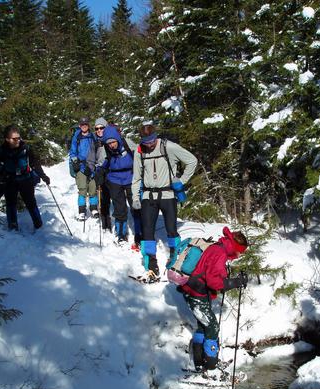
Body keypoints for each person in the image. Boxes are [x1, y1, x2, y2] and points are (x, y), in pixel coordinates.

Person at [131, 123, 198, 282]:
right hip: (148, 195)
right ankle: (151, 266)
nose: (149, 144)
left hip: (168, 194)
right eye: (146, 141)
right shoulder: (139, 152)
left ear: (156, 137)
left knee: (171, 229)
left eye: (152, 140)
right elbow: (136, 177)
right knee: (147, 232)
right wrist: (135, 197)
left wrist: (181, 181)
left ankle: (175, 259)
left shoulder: (169, 147)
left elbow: (192, 161)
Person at [180, 227, 248, 371]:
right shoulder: (219, 253)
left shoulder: (218, 248)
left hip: (196, 291)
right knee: (212, 327)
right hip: (197, 294)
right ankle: (211, 365)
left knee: (203, 325)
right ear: (235, 247)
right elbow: (213, 281)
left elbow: (211, 274)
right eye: (240, 252)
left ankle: (198, 361)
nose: (239, 255)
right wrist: (235, 282)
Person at [95, 125, 141, 246]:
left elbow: (139, 156)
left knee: (136, 206)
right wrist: (99, 173)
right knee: (119, 208)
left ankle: (140, 233)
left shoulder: (127, 144)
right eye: (109, 143)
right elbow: (101, 164)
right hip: (114, 180)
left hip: (131, 178)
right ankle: (121, 234)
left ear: (118, 139)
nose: (111, 145)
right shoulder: (105, 149)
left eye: (113, 142)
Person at [0, 125, 50, 231]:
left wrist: (43, 175)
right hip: (10, 180)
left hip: (25, 179)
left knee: (31, 202)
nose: (18, 140)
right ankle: (13, 227)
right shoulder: (2, 150)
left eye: (19, 138)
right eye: (14, 138)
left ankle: (38, 225)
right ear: (7, 139)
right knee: (11, 203)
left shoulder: (25, 148)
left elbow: (34, 163)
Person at [69, 117, 98, 221]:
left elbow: (97, 151)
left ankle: (94, 208)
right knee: (82, 189)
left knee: (93, 188)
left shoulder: (93, 136)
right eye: (82, 124)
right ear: (80, 125)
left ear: (88, 125)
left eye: (85, 124)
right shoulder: (76, 137)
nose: (84, 126)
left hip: (92, 166)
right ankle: (82, 211)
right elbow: (72, 151)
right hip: (81, 167)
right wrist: (76, 162)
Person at [86, 117, 111, 231]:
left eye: (101, 128)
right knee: (103, 198)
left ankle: (118, 224)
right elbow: (91, 158)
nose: (99, 130)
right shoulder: (95, 142)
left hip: (112, 171)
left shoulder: (112, 138)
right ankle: (105, 222)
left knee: (115, 197)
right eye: (97, 128)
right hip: (100, 171)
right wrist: (90, 169)